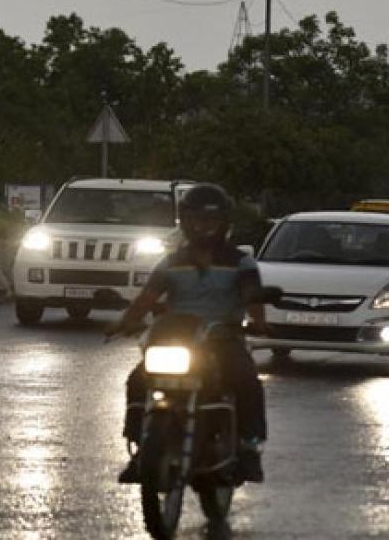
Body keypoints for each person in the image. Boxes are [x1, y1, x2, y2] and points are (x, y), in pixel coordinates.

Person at [106, 183, 270, 483]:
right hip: (177, 339)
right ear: (185, 221)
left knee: (246, 380)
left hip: (223, 341)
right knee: (137, 380)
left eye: (210, 220)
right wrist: (126, 321)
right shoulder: (171, 263)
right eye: (196, 219)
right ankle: (141, 449)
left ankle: (249, 449)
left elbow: (251, 296)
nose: (203, 226)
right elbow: (147, 297)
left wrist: (259, 320)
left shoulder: (241, 261)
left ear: (224, 222)